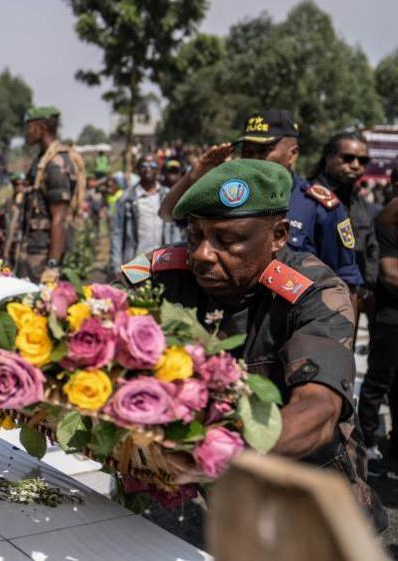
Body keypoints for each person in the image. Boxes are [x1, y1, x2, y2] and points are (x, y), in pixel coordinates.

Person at [0, 159, 386, 530]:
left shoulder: (312, 292)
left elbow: (319, 412)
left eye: (229, 240)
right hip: (179, 506)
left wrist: (222, 451)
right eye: (195, 236)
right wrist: (7, 384)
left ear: (278, 235)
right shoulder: (158, 277)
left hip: (302, 506)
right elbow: (73, 340)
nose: (205, 254)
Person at [159, 110, 364, 293]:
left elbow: (346, 284)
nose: (254, 159)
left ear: (292, 154)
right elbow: (169, 214)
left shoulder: (319, 207)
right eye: (248, 152)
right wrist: (194, 175)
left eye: (263, 151)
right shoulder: (231, 195)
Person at [307, 131, 378, 290]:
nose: (355, 165)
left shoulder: (362, 205)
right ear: (329, 158)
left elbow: (372, 251)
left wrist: (366, 290)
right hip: (314, 295)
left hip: (353, 297)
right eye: (347, 158)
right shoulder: (306, 198)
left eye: (363, 161)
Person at [360, 199, 398, 476]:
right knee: (378, 381)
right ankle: (368, 443)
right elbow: (389, 274)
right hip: (390, 318)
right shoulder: (387, 225)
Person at [17, 106, 75, 282]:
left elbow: (60, 217)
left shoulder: (55, 164)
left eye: (29, 127)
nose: (26, 133)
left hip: (44, 252)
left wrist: (52, 265)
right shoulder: (41, 160)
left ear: (41, 128)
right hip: (33, 246)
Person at [108, 155, 181, 277]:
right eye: (143, 166)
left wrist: (177, 259)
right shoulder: (126, 199)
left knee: (163, 294)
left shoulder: (168, 196)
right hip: (136, 262)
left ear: (158, 170)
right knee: (139, 294)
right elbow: (117, 233)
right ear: (137, 170)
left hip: (163, 260)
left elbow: (175, 230)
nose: (148, 169)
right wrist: (116, 266)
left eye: (152, 166)